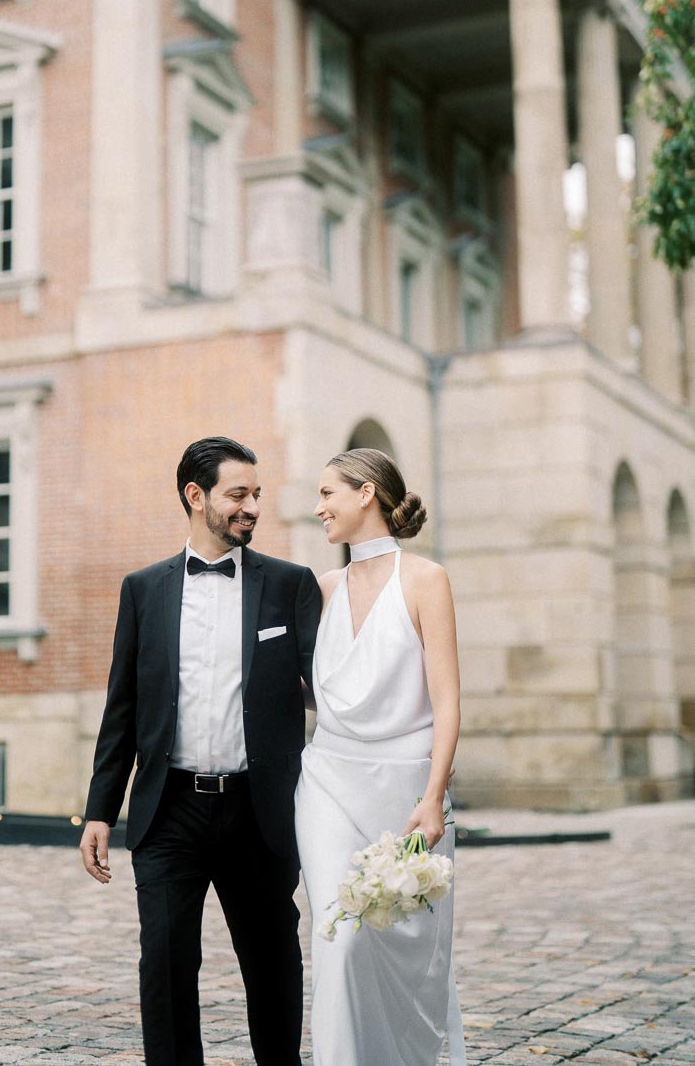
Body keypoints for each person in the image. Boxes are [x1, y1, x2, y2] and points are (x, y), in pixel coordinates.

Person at [79, 436, 322, 1066]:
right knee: (164, 963)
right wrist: (100, 810)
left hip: (258, 812)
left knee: (273, 964)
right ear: (196, 496)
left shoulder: (291, 587)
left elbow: (332, 692)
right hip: (169, 811)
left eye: (256, 495)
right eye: (238, 494)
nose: (251, 508)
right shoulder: (143, 590)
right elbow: (122, 707)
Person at [295, 447, 467, 1066]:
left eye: (327, 494)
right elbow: (303, 691)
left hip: (406, 790)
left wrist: (432, 798)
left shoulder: (426, 580)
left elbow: (447, 703)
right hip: (328, 783)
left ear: (366, 493)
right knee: (337, 937)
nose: (318, 508)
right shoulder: (319, 589)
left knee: (397, 944)